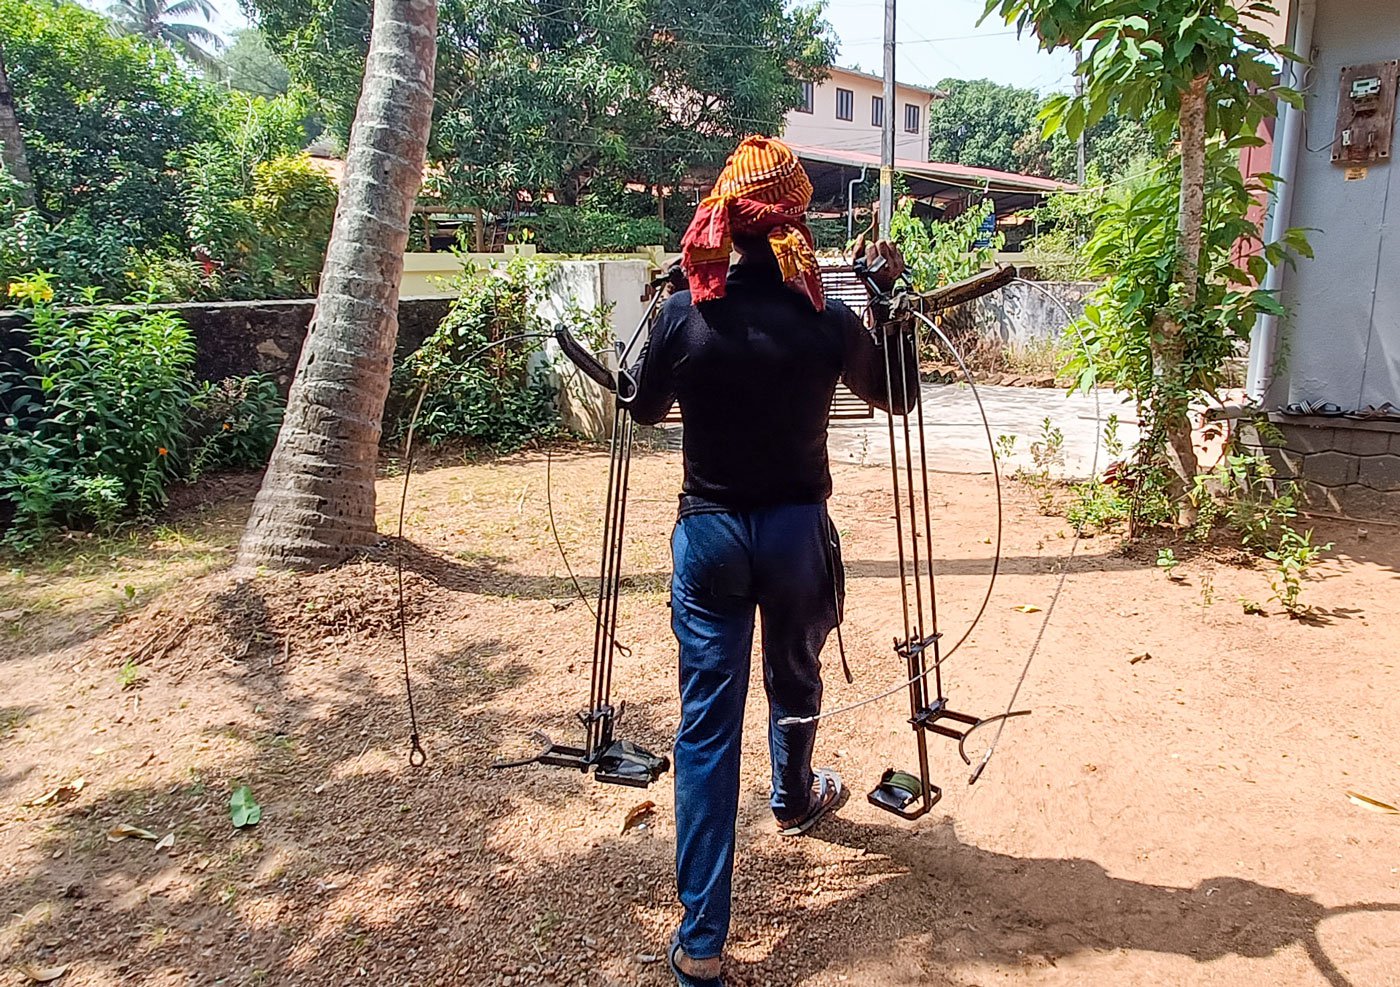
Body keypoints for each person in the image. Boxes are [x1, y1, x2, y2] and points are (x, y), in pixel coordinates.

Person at [622, 136, 917, 987]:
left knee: (707, 728)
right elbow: (899, 395)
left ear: (724, 216)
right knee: (796, 676)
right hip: (795, 536)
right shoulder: (826, 320)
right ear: (794, 220)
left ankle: (703, 938)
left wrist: (655, 321)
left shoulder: (685, 314)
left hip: (710, 536)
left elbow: (641, 410)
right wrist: (892, 305)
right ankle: (793, 796)